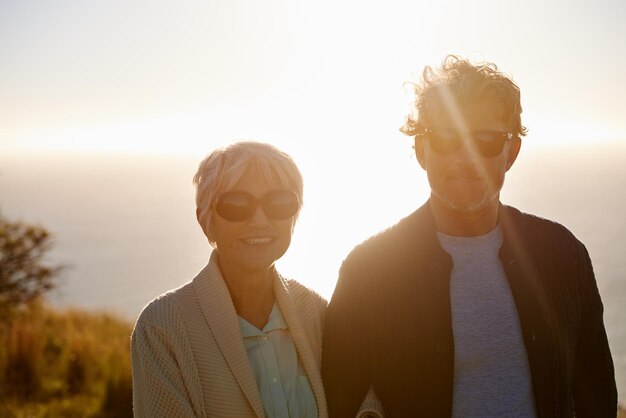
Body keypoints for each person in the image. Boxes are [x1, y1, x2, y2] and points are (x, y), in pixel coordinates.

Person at [321, 56, 617, 417]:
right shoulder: (369, 270)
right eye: (446, 139)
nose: (466, 157)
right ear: (420, 150)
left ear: (511, 152)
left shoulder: (563, 255)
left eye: (487, 140)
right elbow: (339, 401)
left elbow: (595, 392)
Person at [131, 141, 328, 417]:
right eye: (237, 205)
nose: (260, 220)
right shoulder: (162, 328)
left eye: (279, 203)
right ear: (204, 220)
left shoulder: (317, 312)